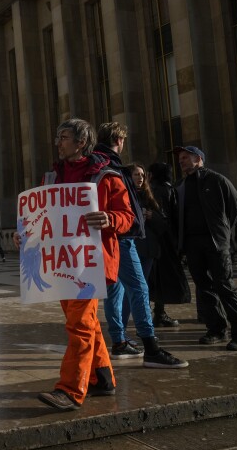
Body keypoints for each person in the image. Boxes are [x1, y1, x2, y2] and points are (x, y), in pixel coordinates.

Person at [14, 118, 134, 411]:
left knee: (79, 325)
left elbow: (127, 216)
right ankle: (103, 377)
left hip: (91, 263)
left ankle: (70, 390)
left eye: (64, 137)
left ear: (81, 142)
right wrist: (25, 235)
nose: (58, 143)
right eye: (58, 137)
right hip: (61, 263)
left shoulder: (107, 177)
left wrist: (109, 219)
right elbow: (43, 219)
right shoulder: (51, 179)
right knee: (87, 324)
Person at [96, 122, 187, 368]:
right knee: (139, 288)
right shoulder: (111, 165)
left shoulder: (97, 163)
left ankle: (118, 342)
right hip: (121, 238)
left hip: (108, 238)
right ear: (119, 140)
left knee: (115, 291)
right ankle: (151, 347)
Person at [174, 145, 237, 351]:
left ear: (199, 159)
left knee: (225, 286)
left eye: (186, 157)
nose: (181, 161)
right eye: (180, 158)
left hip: (216, 242)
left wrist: (223, 233)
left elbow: (234, 208)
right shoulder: (180, 186)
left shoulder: (217, 180)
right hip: (192, 244)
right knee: (204, 288)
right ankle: (216, 329)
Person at [146, 162, 191, 325]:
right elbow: (167, 217)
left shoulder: (154, 189)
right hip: (164, 241)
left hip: (157, 240)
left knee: (156, 278)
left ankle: (158, 313)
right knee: (160, 278)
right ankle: (158, 314)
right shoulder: (165, 189)